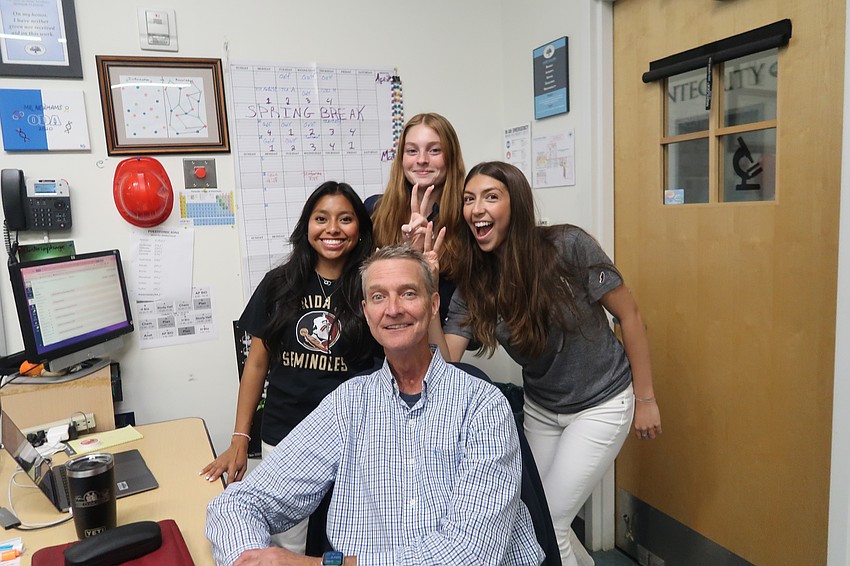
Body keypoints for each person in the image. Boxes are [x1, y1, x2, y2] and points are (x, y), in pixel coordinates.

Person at [205, 245, 544, 566]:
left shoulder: (482, 405)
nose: (393, 309)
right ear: (366, 312)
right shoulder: (348, 404)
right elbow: (236, 504)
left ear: (433, 305)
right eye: (379, 297)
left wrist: (318, 564)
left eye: (408, 293)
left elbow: (469, 554)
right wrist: (251, 558)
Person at [438, 162, 663, 566]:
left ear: (517, 204)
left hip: (602, 403)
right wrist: (425, 283)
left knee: (551, 523)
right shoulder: (475, 280)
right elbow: (444, 360)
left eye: (491, 196)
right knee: (533, 514)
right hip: (541, 408)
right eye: (469, 199)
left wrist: (645, 399)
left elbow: (629, 315)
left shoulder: (567, 246)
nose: (476, 209)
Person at [201, 181, 380, 555]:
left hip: (353, 437)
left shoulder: (372, 286)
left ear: (360, 228)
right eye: (321, 218)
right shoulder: (279, 283)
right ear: (306, 225)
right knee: (288, 544)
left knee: (351, 540)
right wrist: (240, 437)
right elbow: (257, 363)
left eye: (345, 219)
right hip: (285, 434)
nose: (333, 229)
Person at [369, 112, 466, 321]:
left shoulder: (467, 217)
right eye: (412, 151)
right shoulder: (373, 211)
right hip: (383, 336)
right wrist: (406, 252)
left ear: (450, 156)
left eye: (434, 150)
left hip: (444, 337)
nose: (422, 160)